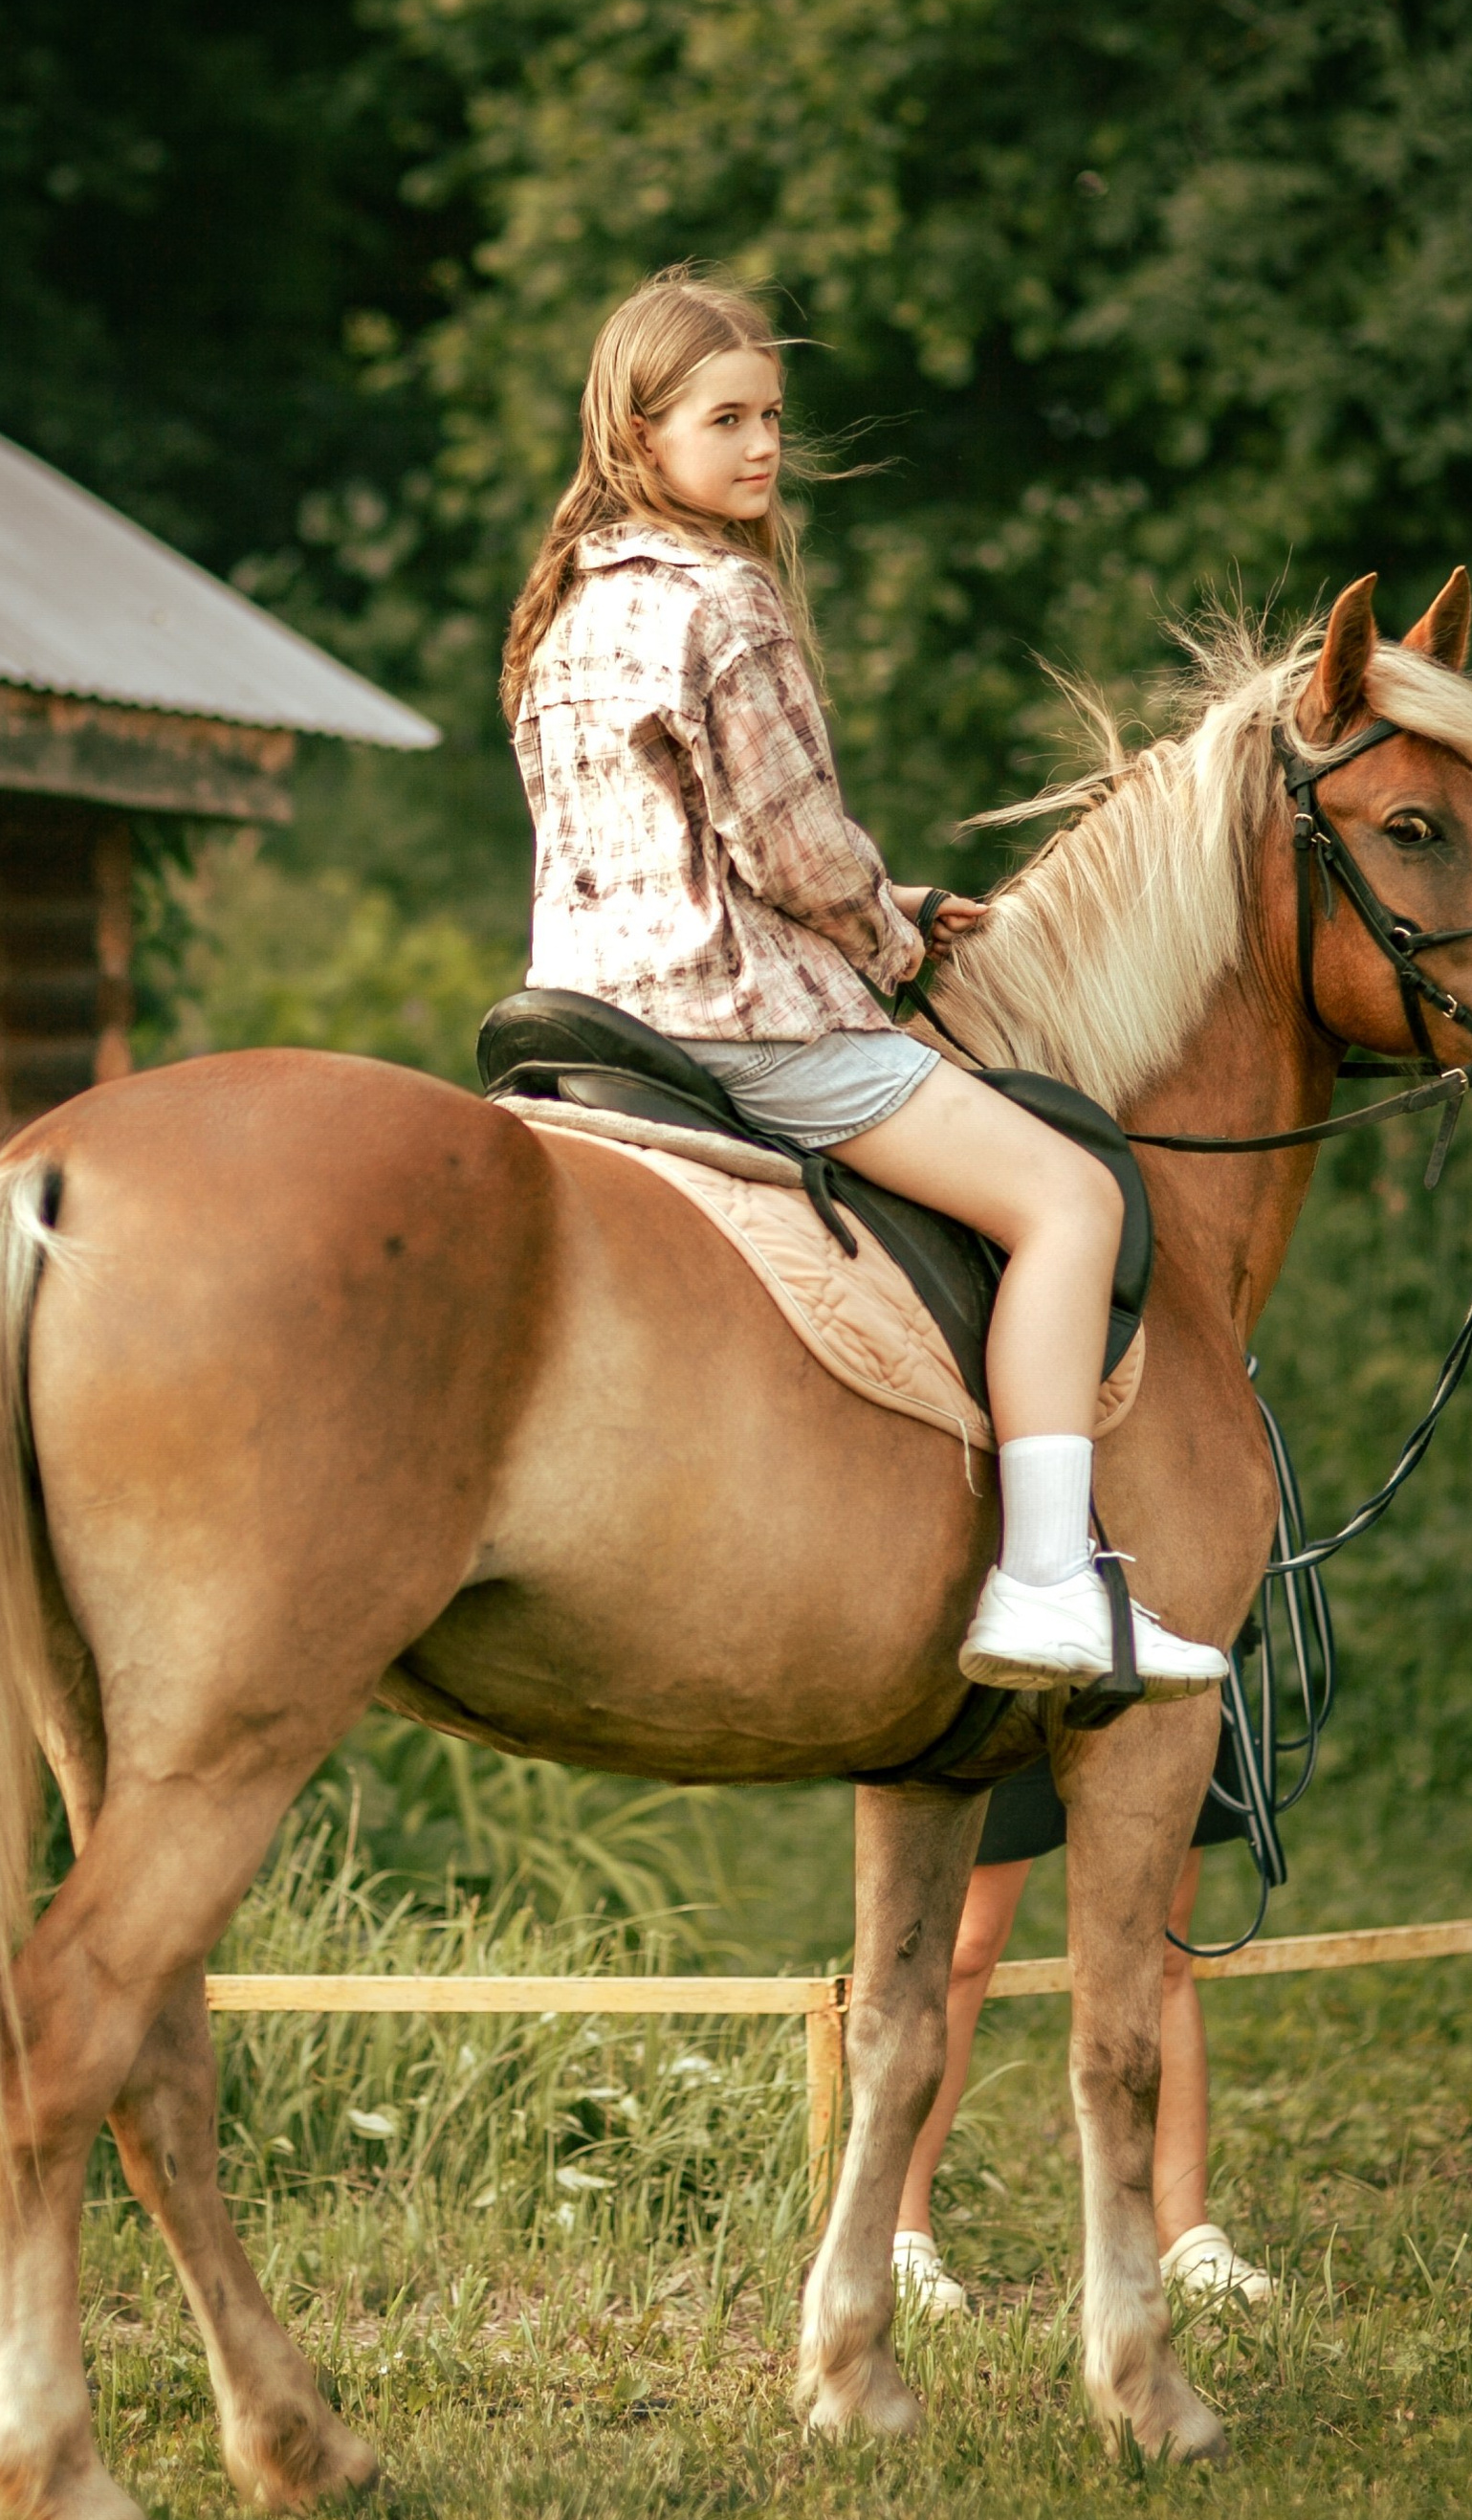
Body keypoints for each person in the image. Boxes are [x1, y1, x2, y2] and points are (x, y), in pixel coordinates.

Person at [501, 267, 1225, 1704]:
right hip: (747, 1027)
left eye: (771, 415)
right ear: (638, 437)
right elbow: (792, 852)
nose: (763, 446)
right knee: (1070, 1197)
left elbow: (663, 844)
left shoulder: (564, 613)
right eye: (726, 420)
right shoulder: (728, 601)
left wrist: (877, 899)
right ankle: (1043, 1587)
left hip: (588, 1013)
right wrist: (888, 943)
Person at [890, 1761, 1275, 2315]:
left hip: (1142, 1679)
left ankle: (1183, 2232)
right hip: (1008, 1682)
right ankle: (897, 2231)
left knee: (1161, 1950)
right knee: (962, 1947)